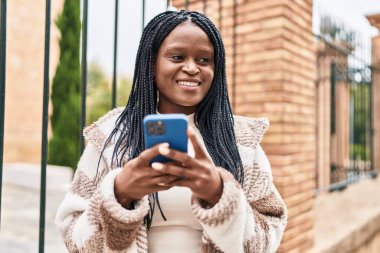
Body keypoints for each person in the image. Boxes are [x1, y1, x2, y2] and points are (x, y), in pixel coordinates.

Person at [55, 10, 287, 253]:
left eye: (204, 60)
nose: (192, 68)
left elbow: (270, 232)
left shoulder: (242, 139)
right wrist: (119, 194)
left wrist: (220, 195)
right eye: (177, 57)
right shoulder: (112, 134)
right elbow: (73, 235)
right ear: (151, 64)